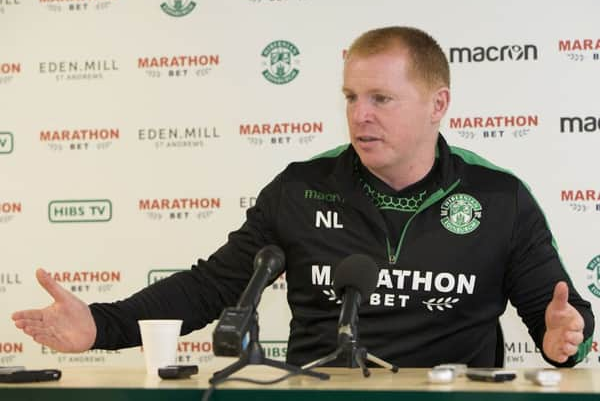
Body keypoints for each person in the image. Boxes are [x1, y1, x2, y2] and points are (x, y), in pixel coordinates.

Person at [13, 26, 594, 368]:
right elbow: (214, 285)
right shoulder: (301, 186)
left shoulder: (498, 195)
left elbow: (564, 319)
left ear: (437, 104)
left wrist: (566, 338)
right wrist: (102, 324)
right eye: (350, 97)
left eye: (381, 99)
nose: (359, 115)